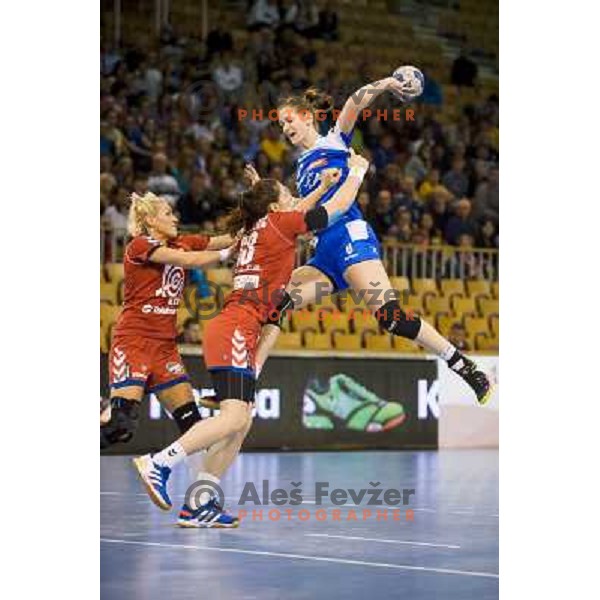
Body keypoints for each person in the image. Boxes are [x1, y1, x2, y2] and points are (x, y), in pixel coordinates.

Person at [131, 157, 367, 525]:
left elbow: (294, 210)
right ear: (275, 206)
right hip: (237, 329)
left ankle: (199, 504)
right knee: (234, 416)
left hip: (232, 328)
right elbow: (334, 210)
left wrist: (316, 187)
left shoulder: (267, 224)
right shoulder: (279, 223)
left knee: (240, 422)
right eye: (288, 194)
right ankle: (159, 463)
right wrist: (356, 172)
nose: (294, 197)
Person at [253, 81, 492, 404]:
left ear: (308, 116)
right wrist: (265, 195)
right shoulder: (302, 165)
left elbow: (354, 101)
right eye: (281, 124)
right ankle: (246, 384)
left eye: (289, 120)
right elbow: (301, 210)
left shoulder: (335, 141)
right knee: (276, 302)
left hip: (351, 237)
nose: (284, 128)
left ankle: (463, 366)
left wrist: (389, 83)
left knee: (391, 318)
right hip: (324, 253)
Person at [100, 191, 242, 527]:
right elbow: (191, 262)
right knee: (121, 427)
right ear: (151, 220)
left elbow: (223, 237)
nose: (175, 217)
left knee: (195, 430)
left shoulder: (184, 240)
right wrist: (226, 253)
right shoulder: (139, 245)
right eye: (168, 212)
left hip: (165, 348)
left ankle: (200, 505)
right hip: (134, 342)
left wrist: (258, 224)